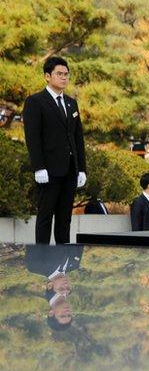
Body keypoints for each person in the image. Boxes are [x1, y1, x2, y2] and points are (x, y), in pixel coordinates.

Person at [22, 56, 88, 244]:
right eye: (59, 74)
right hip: (48, 170)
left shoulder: (71, 102)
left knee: (64, 217)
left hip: (69, 169)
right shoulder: (35, 102)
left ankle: (63, 259)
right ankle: (43, 260)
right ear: (47, 76)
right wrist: (38, 167)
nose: (64, 78)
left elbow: (77, 138)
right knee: (45, 217)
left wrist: (81, 168)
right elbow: (33, 138)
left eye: (67, 74)